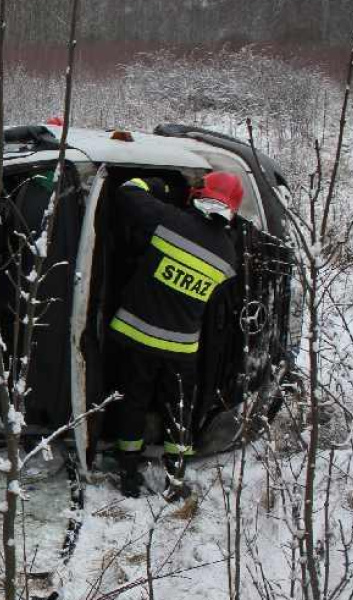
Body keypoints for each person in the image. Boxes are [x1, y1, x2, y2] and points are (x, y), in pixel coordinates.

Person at [108, 172, 242, 500]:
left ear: (198, 195)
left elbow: (127, 192)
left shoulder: (169, 221)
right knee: (179, 409)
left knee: (133, 402)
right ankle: (175, 479)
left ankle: (128, 473)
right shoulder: (228, 258)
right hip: (182, 347)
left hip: (135, 335)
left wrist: (162, 187)